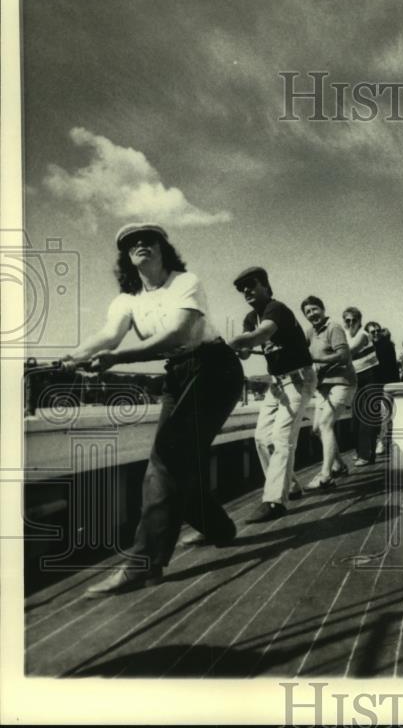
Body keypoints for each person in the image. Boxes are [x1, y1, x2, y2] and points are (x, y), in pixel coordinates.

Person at [67, 223, 244, 596]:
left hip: (214, 369)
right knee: (180, 460)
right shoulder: (128, 299)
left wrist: (118, 358)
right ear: (126, 258)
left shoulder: (184, 282)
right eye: (132, 244)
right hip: (179, 374)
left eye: (148, 240)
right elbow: (109, 335)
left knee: (165, 461)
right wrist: (76, 355)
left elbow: (180, 333)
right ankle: (220, 529)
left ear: (164, 249)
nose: (140, 245)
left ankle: (143, 564)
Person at [228, 266, 316, 522]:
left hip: (299, 379)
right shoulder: (249, 317)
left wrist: (230, 344)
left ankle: (275, 501)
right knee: (261, 437)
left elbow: (262, 334)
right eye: (241, 288)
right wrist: (240, 348)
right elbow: (247, 347)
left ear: (266, 287)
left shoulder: (276, 309)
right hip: (277, 383)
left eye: (251, 285)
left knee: (281, 438)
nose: (246, 290)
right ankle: (289, 487)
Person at [301, 296, 356, 489]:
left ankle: (326, 475)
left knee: (325, 424)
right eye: (307, 312)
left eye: (315, 309)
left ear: (323, 309)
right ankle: (339, 465)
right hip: (323, 387)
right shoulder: (309, 332)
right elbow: (299, 352)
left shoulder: (334, 328)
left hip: (342, 382)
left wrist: (317, 359)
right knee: (317, 429)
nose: (312, 314)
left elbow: (344, 356)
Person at [343, 306, 380, 466]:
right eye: (347, 320)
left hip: (370, 375)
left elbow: (348, 352)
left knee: (367, 417)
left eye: (354, 320)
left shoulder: (363, 335)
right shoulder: (344, 335)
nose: (350, 323)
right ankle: (361, 453)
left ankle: (366, 455)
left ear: (359, 321)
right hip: (355, 378)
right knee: (357, 417)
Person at [364, 320, 399, 456]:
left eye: (378, 330)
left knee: (385, 414)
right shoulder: (366, 347)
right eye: (373, 332)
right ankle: (374, 443)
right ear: (367, 334)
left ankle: (382, 442)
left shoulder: (387, 345)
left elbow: (391, 367)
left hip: (386, 384)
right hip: (372, 384)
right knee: (373, 415)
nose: (376, 333)